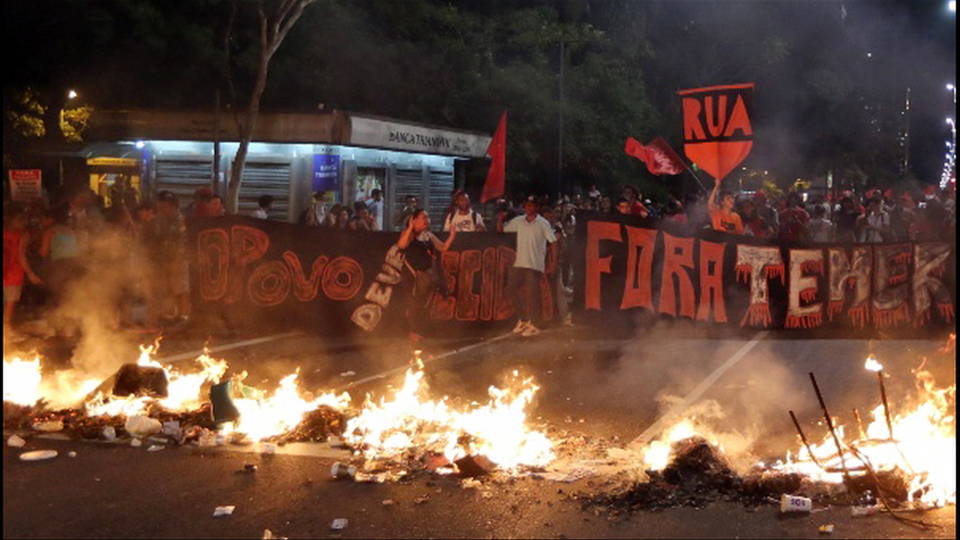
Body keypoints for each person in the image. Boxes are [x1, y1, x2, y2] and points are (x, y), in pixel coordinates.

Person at [396, 209, 457, 345]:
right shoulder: (409, 234)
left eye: (428, 218)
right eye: (423, 217)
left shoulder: (428, 235)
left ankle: (419, 330)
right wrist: (410, 227)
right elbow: (401, 245)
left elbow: (443, 247)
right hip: (413, 275)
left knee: (423, 303)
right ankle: (412, 332)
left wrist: (452, 236)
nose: (427, 220)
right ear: (414, 219)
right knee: (413, 303)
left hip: (426, 275)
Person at [504, 198, 557, 337]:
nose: (529, 208)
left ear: (537, 207)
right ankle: (523, 319)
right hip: (519, 263)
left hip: (535, 264)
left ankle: (535, 324)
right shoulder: (518, 221)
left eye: (532, 205)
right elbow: (503, 230)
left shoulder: (543, 223)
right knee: (511, 289)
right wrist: (500, 219)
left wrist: (552, 263)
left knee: (533, 294)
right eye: (527, 205)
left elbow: (553, 242)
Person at [148, 191, 190, 324]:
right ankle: (165, 313)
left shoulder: (182, 220)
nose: (162, 209)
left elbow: (183, 239)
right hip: (161, 259)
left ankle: (183, 314)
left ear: (172, 206)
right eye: (160, 206)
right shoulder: (157, 220)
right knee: (163, 287)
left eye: (165, 206)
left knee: (180, 288)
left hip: (179, 258)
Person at [4, 206, 43, 332]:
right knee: (9, 306)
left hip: (9, 272)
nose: (24, 222)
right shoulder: (23, 235)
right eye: (21, 220)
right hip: (13, 274)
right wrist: (31, 274)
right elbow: (21, 255)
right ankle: (6, 332)